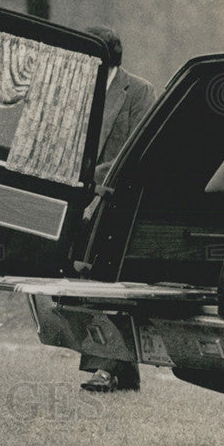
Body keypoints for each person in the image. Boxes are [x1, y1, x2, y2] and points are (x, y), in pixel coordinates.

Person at [79, 26, 156, 393]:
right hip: (79, 200)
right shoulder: (75, 88)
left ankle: (107, 369)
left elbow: (137, 153)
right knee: (85, 281)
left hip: (119, 202)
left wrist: (86, 178)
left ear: (105, 55)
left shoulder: (139, 91)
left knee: (106, 284)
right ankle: (121, 368)